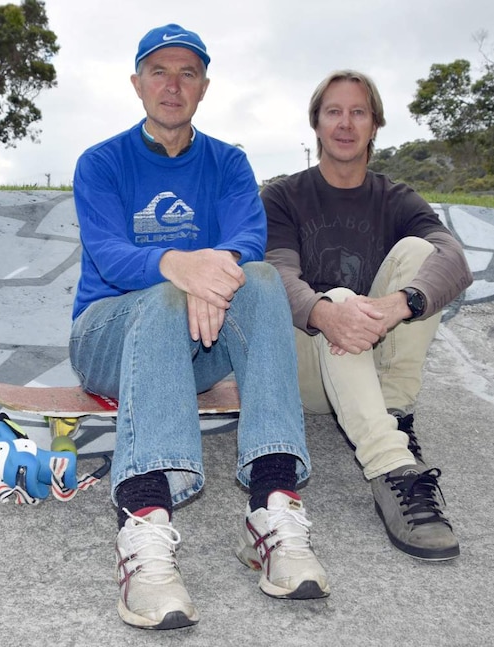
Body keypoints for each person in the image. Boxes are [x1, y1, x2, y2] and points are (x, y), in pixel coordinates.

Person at [69, 24, 329, 630]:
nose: (172, 84)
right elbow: (108, 253)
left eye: (187, 72)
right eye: (159, 71)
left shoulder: (228, 161)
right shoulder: (101, 162)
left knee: (261, 278)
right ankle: (144, 528)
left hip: (198, 339)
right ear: (137, 84)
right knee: (165, 298)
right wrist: (178, 267)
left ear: (204, 87)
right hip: (107, 334)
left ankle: (273, 508)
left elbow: (247, 239)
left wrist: (213, 275)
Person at [262, 70, 473, 562]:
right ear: (315, 123)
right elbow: (276, 274)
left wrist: (403, 301)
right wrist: (324, 311)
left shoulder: (396, 198)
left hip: (371, 363)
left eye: (358, 112)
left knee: (423, 252)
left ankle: (393, 414)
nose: (345, 123)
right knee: (336, 297)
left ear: (375, 124)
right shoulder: (283, 197)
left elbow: (454, 258)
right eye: (333, 111)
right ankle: (392, 468)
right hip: (306, 370)